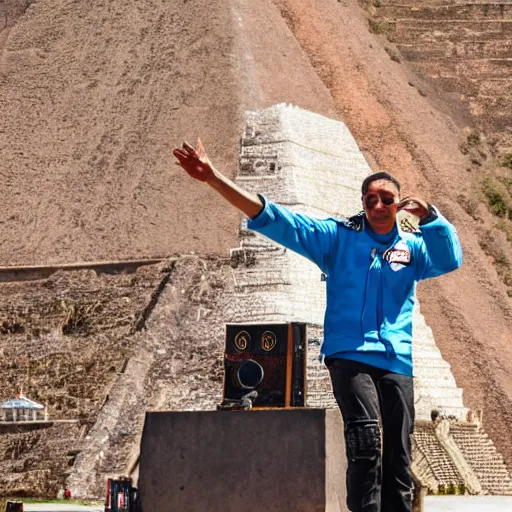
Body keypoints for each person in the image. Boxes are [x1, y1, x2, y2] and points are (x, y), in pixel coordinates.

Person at [173, 140, 462, 512]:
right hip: (349, 355)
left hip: (396, 362)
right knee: (365, 442)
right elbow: (278, 220)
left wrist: (432, 217)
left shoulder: (414, 248)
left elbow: (450, 258)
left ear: (400, 204)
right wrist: (214, 178)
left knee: (400, 457)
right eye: (370, 198)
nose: (377, 205)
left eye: (386, 199)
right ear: (362, 202)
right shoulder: (338, 238)